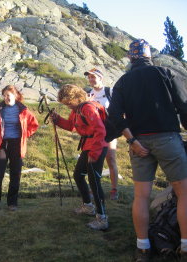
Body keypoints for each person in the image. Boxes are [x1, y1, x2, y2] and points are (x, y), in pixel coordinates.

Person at [108, 39, 187, 262]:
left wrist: (131, 140)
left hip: (139, 143)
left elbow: (114, 116)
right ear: (148, 55)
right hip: (167, 139)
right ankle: (185, 247)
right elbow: (184, 106)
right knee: (184, 194)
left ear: (131, 58)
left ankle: (142, 248)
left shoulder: (122, 82)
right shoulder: (165, 73)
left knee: (141, 196)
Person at [52, 84, 109, 230]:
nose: (68, 106)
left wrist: (94, 153)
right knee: (78, 175)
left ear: (77, 98)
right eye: (65, 104)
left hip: (96, 146)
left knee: (94, 182)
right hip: (88, 146)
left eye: (69, 103)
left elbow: (100, 131)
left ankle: (102, 219)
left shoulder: (87, 108)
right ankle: (88, 206)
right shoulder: (78, 109)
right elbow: (71, 126)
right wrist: (58, 120)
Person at [0, 85, 39, 211]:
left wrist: (25, 135)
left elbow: (34, 125)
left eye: (8, 95)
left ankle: (12, 203)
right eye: (4, 95)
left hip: (17, 145)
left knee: (15, 174)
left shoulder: (23, 110)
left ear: (15, 95)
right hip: (2, 145)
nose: (6, 98)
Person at [84, 68, 119, 200]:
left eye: (93, 77)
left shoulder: (109, 91)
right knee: (93, 160)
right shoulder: (88, 93)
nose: (91, 79)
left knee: (111, 159)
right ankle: (93, 189)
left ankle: (114, 189)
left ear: (100, 78)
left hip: (109, 131)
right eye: (89, 77)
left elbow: (118, 108)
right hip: (94, 132)